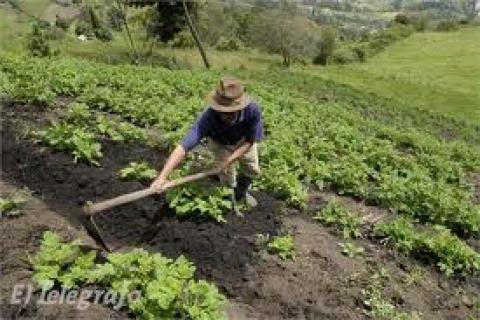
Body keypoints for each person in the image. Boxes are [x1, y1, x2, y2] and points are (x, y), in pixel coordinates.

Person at [151, 77, 264, 211]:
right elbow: (183, 147)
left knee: (252, 169)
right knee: (227, 177)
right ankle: (231, 203)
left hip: (243, 141)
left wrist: (231, 159)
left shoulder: (252, 110)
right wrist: (162, 177)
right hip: (219, 142)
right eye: (222, 111)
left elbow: (250, 141)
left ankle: (241, 194)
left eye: (229, 112)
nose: (225, 115)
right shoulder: (208, 117)